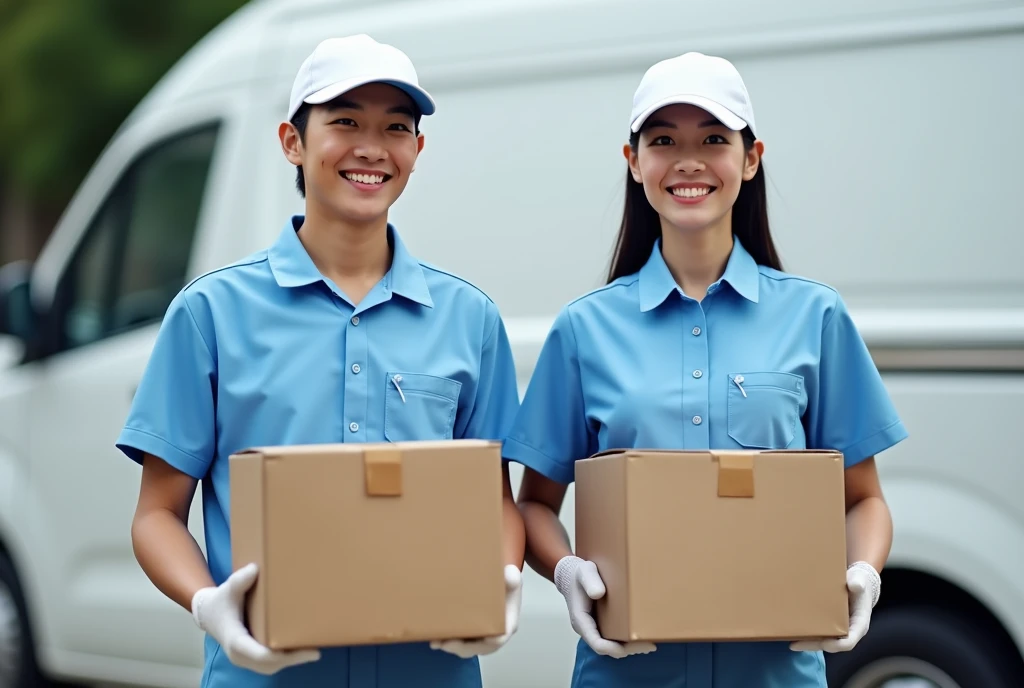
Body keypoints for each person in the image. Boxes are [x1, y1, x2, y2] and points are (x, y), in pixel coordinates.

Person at [117, 34, 525, 688]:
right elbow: (157, 515)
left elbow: (494, 502)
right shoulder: (212, 314)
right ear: (292, 142)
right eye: (344, 122)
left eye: (396, 127)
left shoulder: (468, 318)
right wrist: (207, 605)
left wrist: (500, 582)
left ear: (417, 152)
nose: (371, 147)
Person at [502, 51, 908, 687]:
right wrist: (566, 572)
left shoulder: (815, 316)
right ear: (634, 161)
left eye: (713, 139)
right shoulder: (584, 330)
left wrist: (863, 573)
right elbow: (533, 506)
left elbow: (864, 500)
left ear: (750, 158)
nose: (688, 160)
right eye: (663, 140)